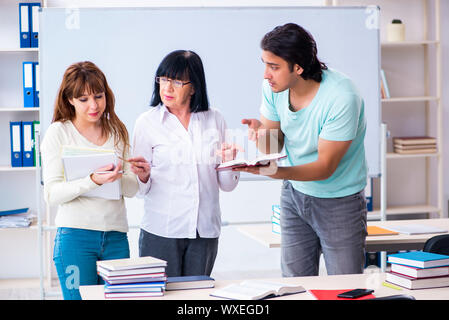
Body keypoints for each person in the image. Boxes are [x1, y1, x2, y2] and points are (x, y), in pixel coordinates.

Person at [237, 23, 368, 276]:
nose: (266, 74)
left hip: (339, 201)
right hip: (294, 195)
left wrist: (278, 172)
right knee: (295, 285)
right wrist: (261, 135)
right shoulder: (273, 88)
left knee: (345, 285)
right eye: (264, 64)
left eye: (274, 67)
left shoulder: (341, 97)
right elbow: (273, 147)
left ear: (298, 67)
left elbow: (324, 167)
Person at [129, 50, 240, 277]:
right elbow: (140, 189)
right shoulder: (146, 123)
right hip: (162, 230)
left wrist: (230, 163)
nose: (167, 88)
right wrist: (143, 175)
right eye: (163, 79)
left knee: (195, 299)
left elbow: (226, 185)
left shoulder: (215, 118)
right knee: (161, 295)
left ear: (194, 87)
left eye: (177, 82)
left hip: (205, 230)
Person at [41, 61, 138, 299]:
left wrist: (124, 177)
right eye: (83, 99)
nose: (93, 105)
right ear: (70, 100)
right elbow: (52, 194)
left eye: (98, 96)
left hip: (116, 237)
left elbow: (133, 188)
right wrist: (92, 180)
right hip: (75, 238)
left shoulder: (118, 131)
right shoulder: (58, 132)